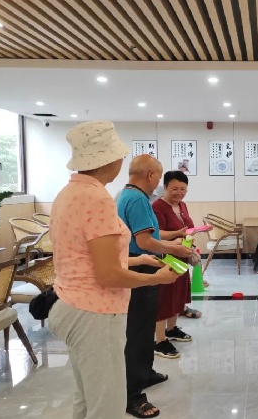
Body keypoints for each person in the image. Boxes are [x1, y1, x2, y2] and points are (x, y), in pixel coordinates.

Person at [48, 121, 179, 419]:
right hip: (95, 313)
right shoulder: (97, 199)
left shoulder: (69, 193)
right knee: (106, 406)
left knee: (87, 399)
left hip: (70, 302)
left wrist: (140, 260)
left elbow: (87, 258)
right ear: (108, 159)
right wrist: (157, 278)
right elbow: (107, 275)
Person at [117, 154, 194, 417]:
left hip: (139, 262)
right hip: (141, 263)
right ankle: (132, 395)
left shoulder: (126, 194)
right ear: (151, 175)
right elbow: (145, 241)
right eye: (159, 177)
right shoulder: (139, 199)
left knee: (144, 324)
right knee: (138, 330)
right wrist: (175, 249)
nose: (159, 183)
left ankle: (144, 373)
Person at [152, 171, 204, 359]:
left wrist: (192, 232)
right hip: (166, 257)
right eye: (174, 188)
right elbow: (156, 233)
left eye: (183, 189)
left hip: (182, 254)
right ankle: (159, 340)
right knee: (164, 297)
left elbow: (186, 228)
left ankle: (172, 329)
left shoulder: (182, 205)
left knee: (178, 294)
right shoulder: (158, 206)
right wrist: (179, 233)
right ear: (165, 187)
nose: (179, 192)